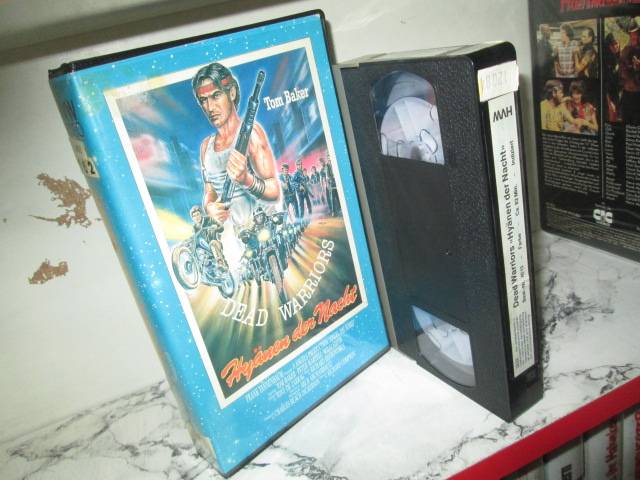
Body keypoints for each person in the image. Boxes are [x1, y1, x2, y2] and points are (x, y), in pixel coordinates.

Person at [192, 63, 280, 230]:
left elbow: (274, 190)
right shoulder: (205, 147)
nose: (210, 107)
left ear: (231, 93)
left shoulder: (253, 133)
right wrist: (210, 207)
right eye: (204, 100)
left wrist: (247, 180)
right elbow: (209, 192)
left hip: (265, 226)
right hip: (239, 233)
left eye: (216, 95)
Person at [619, 20, 640, 124]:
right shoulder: (626, 49)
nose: (633, 37)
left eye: (635, 34)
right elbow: (621, 71)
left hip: (637, 95)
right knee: (626, 122)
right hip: (627, 94)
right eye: (631, 34)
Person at [603, 32, 622, 122]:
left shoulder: (619, 57)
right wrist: (609, 102)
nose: (615, 46)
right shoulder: (605, 61)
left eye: (616, 43)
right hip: (609, 97)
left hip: (618, 94)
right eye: (612, 44)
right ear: (608, 46)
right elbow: (605, 84)